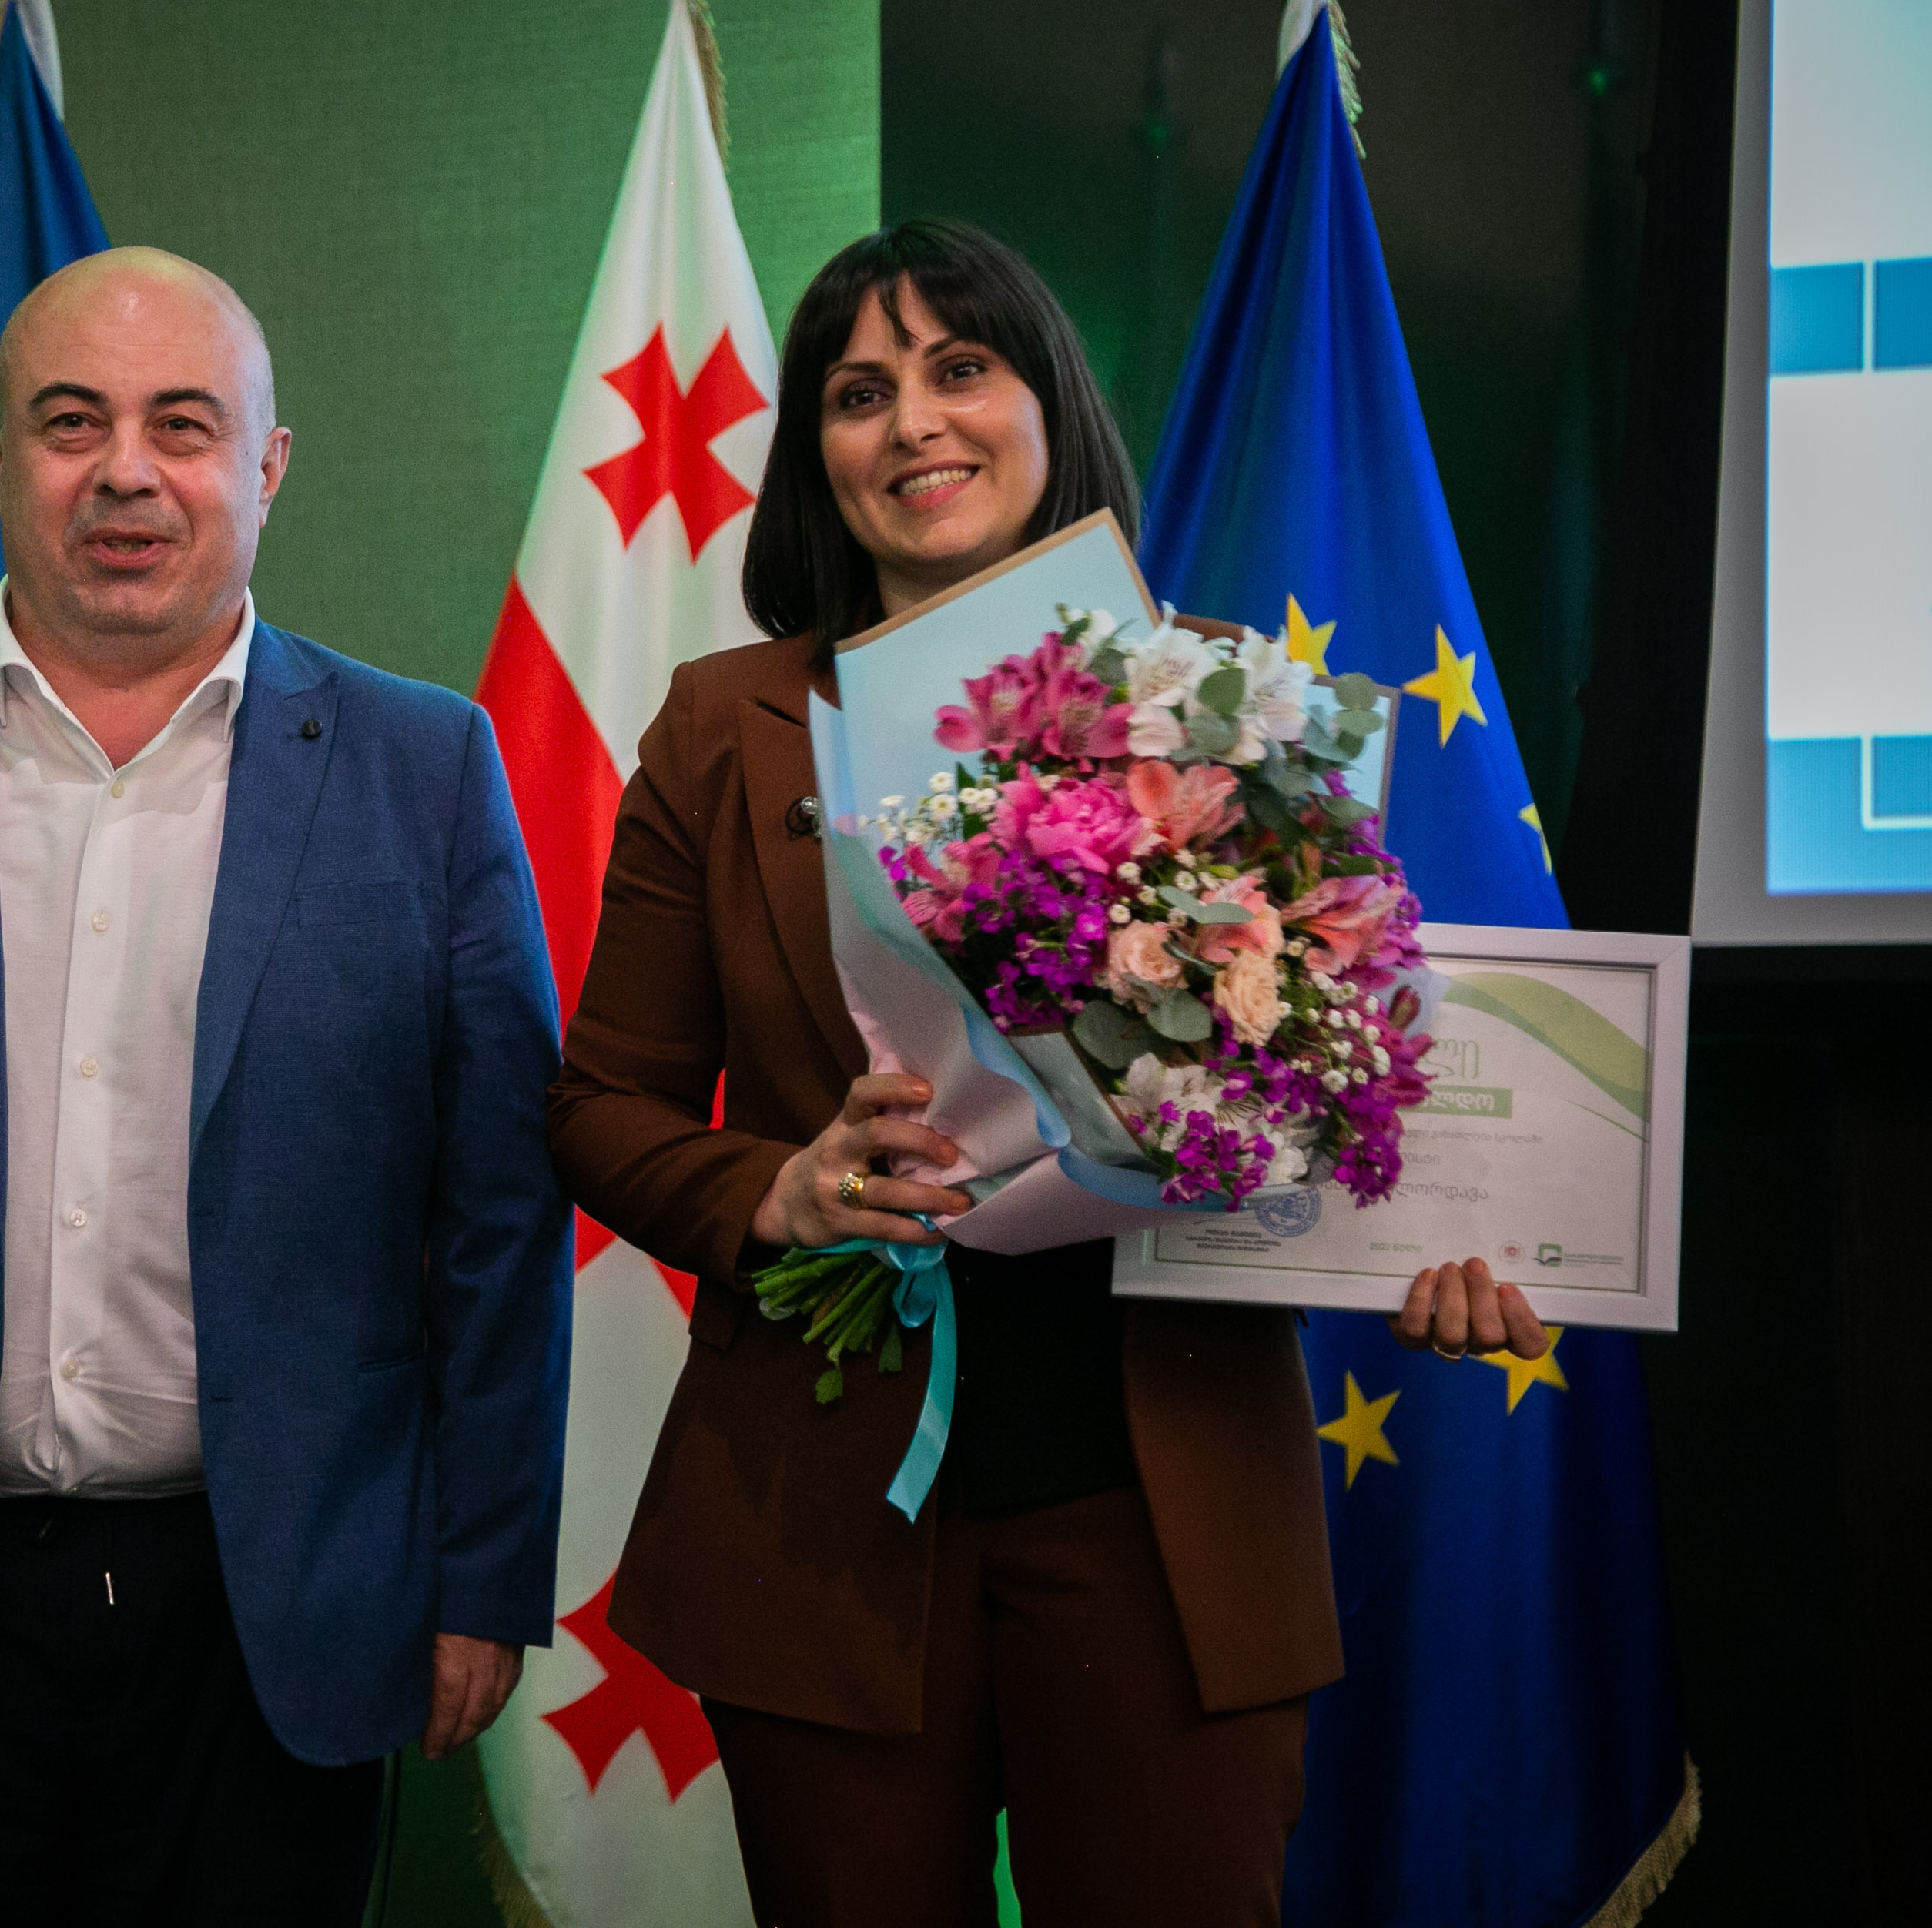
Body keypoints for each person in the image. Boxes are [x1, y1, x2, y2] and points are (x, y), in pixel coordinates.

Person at [547, 219, 1548, 1928]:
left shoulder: (1225, 700)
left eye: (960, 367)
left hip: (1168, 1516)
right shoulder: (723, 729)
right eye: (857, 392)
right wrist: (778, 1188)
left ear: (1045, 403)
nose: (912, 422)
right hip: (820, 1519)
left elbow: (1344, 1049)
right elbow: (596, 1107)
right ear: (815, 455)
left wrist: (1430, 1240)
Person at [0, 247, 573, 1925]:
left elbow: (499, 1217)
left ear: (266, 465)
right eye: (72, 423)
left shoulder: (424, 771)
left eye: (182, 424)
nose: (126, 470)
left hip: (272, 1610)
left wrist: (484, 1575)